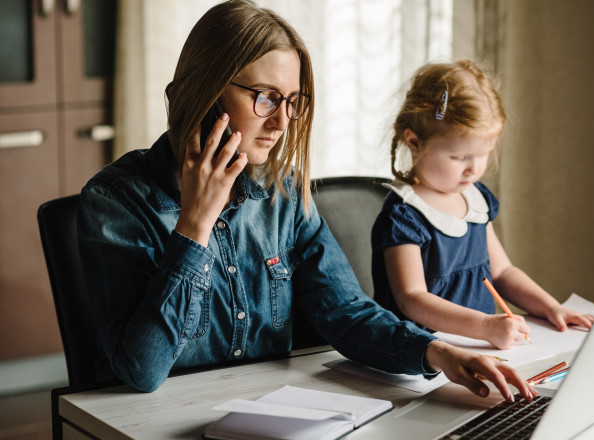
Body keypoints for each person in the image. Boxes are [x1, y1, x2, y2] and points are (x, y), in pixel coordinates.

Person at [77, 0, 537, 402]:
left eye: (293, 100)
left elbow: (344, 311)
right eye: (266, 97)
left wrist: (435, 351)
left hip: (266, 413)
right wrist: (194, 227)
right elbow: (142, 372)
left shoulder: (284, 194)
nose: (282, 121)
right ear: (207, 89)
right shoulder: (115, 201)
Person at [371, 60, 594, 350]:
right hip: (423, 356)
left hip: (478, 348)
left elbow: (502, 272)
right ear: (414, 142)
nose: (473, 169)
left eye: (484, 154)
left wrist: (551, 307)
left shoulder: (476, 200)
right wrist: (484, 326)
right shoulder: (404, 215)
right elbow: (412, 299)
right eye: (458, 156)